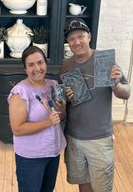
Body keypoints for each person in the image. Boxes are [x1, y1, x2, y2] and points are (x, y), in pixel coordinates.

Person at [61, 18, 131, 192]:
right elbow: (64, 99)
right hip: (74, 137)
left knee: (102, 187)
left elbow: (126, 92)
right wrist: (65, 97)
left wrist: (115, 84)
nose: (76, 42)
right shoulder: (66, 66)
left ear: (89, 37)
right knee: (83, 183)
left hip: (99, 138)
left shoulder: (104, 61)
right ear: (68, 43)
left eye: (81, 36)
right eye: (71, 39)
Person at [8, 45, 66, 192]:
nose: (37, 68)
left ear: (45, 63)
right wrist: (47, 122)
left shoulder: (53, 85)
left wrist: (62, 109)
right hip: (31, 158)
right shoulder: (20, 92)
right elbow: (17, 129)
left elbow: (61, 117)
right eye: (31, 64)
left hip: (53, 152)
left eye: (40, 62)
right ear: (25, 69)